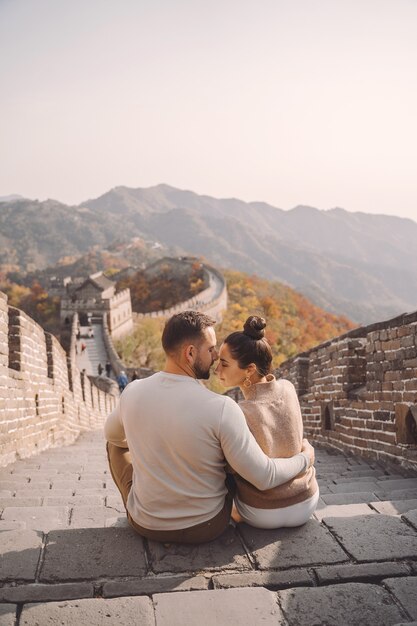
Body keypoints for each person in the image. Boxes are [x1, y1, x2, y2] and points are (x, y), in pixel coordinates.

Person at [104, 310, 314, 544]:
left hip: (145, 524)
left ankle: (148, 503)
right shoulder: (222, 407)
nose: (215, 356)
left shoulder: (132, 392)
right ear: (191, 353)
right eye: (211, 349)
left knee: (115, 446)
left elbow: (113, 437)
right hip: (208, 525)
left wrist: (149, 442)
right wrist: (305, 458)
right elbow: (264, 477)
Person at [214, 315, 319, 529]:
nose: (216, 370)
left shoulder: (239, 412)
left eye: (224, 364)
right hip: (308, 501)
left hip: (262, 513)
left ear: (250, 369)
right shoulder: (289, 388)